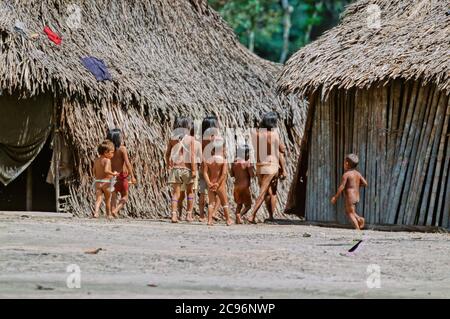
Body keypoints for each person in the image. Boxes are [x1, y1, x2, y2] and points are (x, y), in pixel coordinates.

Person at [248, 112, 287, 224]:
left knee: (268, 191)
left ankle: (270, 216)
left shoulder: (256, 134)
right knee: (267, 192)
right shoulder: (273, 135)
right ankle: (253, 215)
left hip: (260, 165)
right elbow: (282, 150)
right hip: (271, 166)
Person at [165, 117, 196, 223]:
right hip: (186, 168)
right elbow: (192, 155)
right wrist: (194, 170)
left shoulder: (172, 138)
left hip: (175, 168)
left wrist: (167, 163)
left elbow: (167, 154)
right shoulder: (190, 139)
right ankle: (188, 215)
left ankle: (174, 215)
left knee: (176, 193)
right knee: (190, 192)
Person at [331, 154, 367, 230]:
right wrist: (356, 186)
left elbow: (342, 187)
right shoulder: (358, 174)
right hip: (356, 196)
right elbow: (365, 183)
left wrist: (335, 197)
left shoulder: (346, 174)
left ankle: (358, 231)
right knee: (351, 212)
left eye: (344, 163)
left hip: (350, 197)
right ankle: (360, 219)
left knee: (350, 213)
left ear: (347, 163)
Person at [106, 128, 137, 218]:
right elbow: (127, 163)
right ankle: (116, 210)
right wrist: (132, 176)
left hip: (112, 176)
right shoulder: (122, 149)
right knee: (125, 196)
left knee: (113, 196)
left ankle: (112, 212)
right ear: (118, 139)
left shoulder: (108, 151)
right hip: (122, 176)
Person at [203, 138, 232, 226]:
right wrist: (218, 183)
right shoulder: (223, 160)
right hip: (220, 185)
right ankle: (228, 220)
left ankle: (209, 220)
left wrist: (209, 183)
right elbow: (223, 173)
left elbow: (205, 172)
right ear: (222, 148)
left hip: (211, 184)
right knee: (224, 203)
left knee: (211, 203)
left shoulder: (208, 160)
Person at [199, 115, 222, 221]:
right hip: (214, 168)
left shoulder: (200, 138)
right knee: (218, 192)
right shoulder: (217, 138)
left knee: (202, 192)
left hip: (203, 166)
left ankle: (202, 215)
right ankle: (213, 212)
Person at [92, 140, 118, 219]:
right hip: (106, 183)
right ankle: (108, 214)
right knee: (107, 200)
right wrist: (114, 174)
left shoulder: (96, 160)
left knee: (98, 199)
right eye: (112, 152)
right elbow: (106, 170)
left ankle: (96, 212)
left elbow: (94, 171)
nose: (113, 154)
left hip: (98, 182)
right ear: (106, 152)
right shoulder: (107, 160)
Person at [230, 144, 254, 224]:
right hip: (245, 187)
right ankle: (239, 215)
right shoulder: (247, 163)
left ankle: (237, 218)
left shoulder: (234, 162)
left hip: (236, 186)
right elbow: (252, 175)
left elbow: (231, 174)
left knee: (239, 204)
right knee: (248, 205)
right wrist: (251, 168)